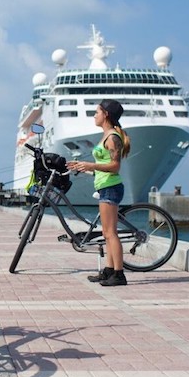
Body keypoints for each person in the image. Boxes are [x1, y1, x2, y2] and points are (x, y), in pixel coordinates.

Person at [66, 99, 132, 286]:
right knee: (106, 232)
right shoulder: (106, 136)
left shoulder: (112, 138)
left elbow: (115, 166)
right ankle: (109, 271)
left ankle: (119, 274)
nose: (94, 115)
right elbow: (103, 167)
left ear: (106, 115)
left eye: (97, 112)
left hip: (111, 188)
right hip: (105, 186)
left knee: (111, 233)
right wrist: (82, 167)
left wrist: (91, 164)